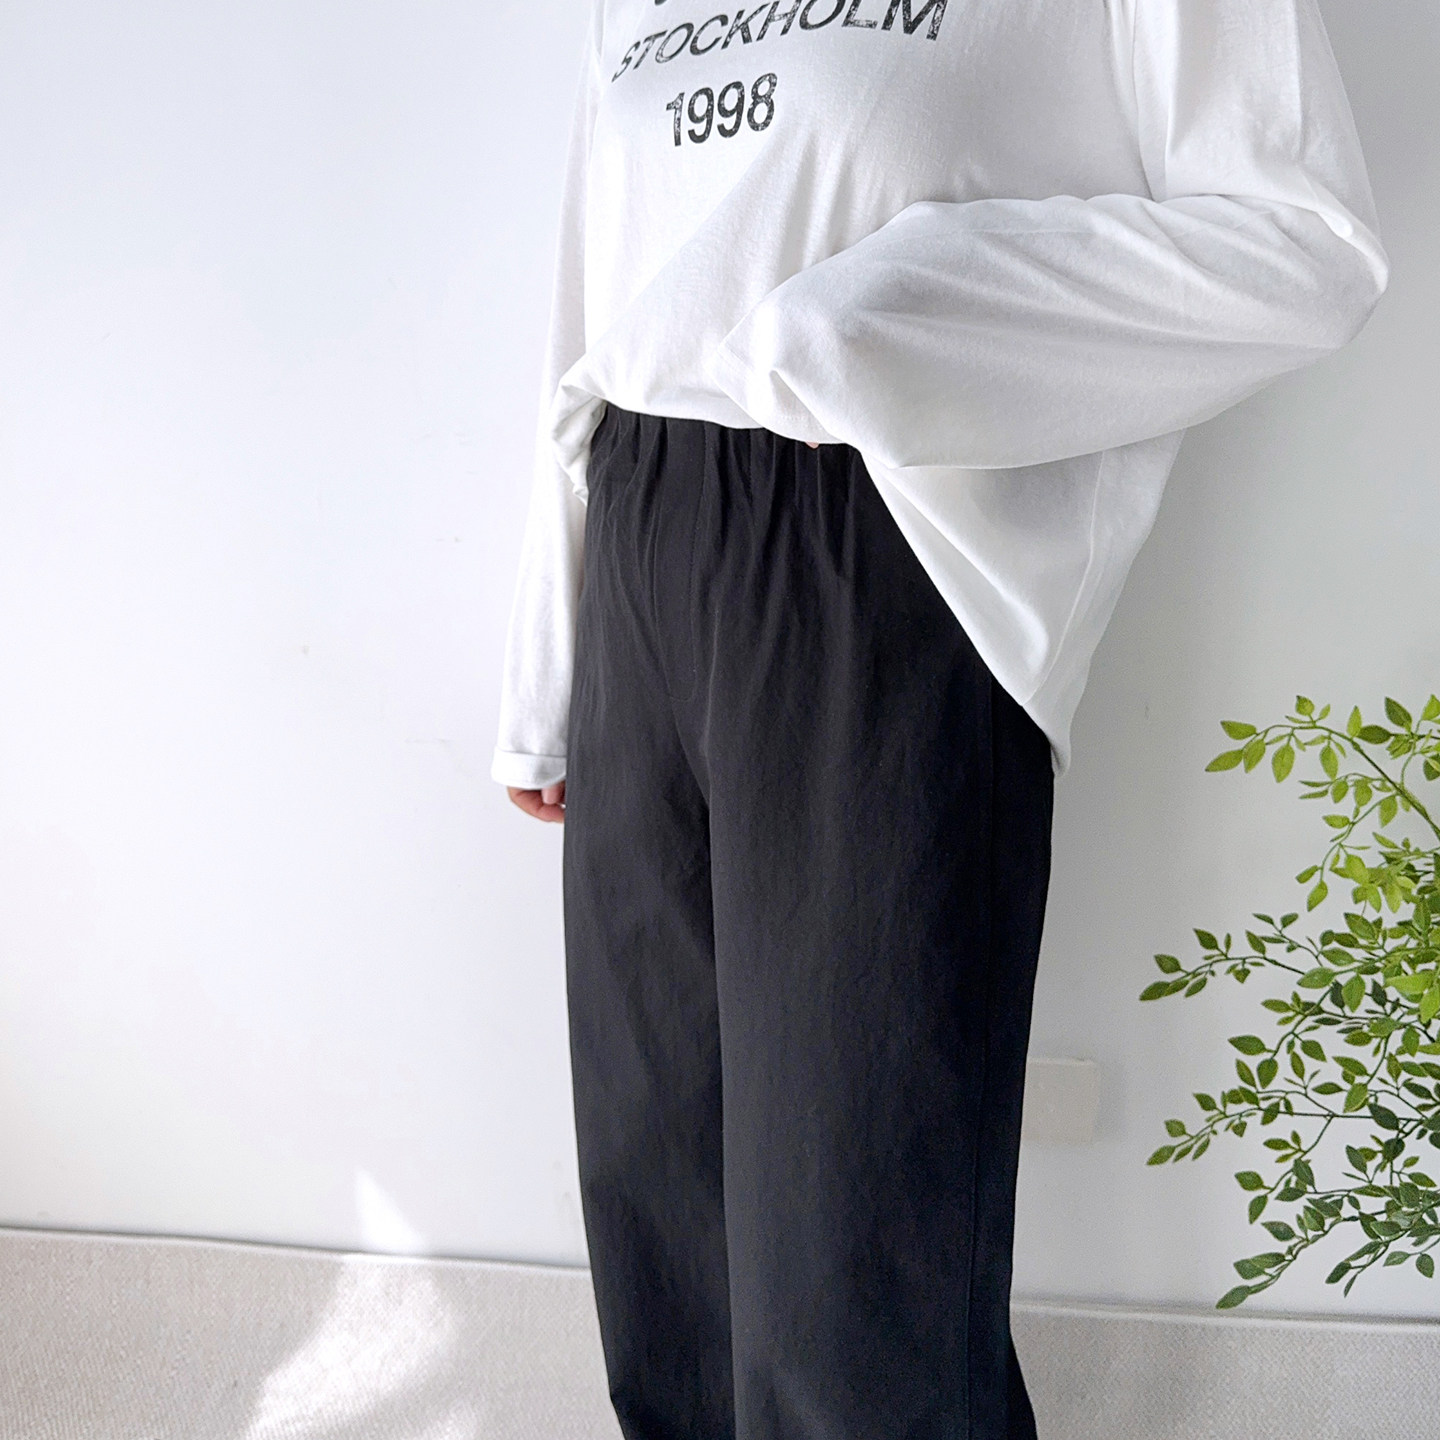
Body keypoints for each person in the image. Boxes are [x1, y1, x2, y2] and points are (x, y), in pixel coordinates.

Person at [495, 1, 1387, 1435]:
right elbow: (588, 308)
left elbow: (1305, 243)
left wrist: (884, 320)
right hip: (642, 536)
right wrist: (549, 671)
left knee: (855, 1259)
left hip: (882, 544)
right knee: (660, 1204)